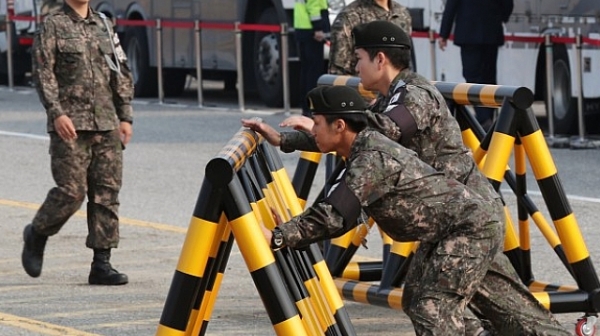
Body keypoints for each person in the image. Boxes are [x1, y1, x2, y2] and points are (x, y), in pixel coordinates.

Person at [241, 20, 543, 335]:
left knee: (438, 309)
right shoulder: (387, 101)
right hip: (454, 219)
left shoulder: (414, 94)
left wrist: (280, 234)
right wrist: (288, 138)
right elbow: (354, 135)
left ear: (380, 59)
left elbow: (383, 130)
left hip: (468, 216)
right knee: (483, 309)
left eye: (358, 57)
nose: (354, 65)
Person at [22, 0, 134, 286]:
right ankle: (37, 232)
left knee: (106, 194)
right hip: (70, 125)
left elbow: (119, 71)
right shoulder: (53, 25)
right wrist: (56, 113)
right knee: (71, 192)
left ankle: (102, 264)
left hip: (106, 122)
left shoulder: (105, 25)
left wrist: (125, 116)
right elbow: (43, 73)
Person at [438, 0, 514, 130]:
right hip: (491, 31)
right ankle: (488, 115)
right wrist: (500, 17)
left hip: (468, 32)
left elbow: (451, 6)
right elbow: (507, 4)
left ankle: (484, 118)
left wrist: (444, 33)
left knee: (472, 76)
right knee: (489, 76)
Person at [328, 0, 412, 76]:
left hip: (396, 89)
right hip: (361, 88)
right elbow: (338, 70)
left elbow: (406, 60)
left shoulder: (402, 14)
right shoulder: (350, 16)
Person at [294, 0, 330, 116]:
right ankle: (312, 105)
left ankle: (305, 106)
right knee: (314, 71)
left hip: (302, 28)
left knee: (305, 70)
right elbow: (314, 6)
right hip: (312, 31)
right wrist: (318, 28)